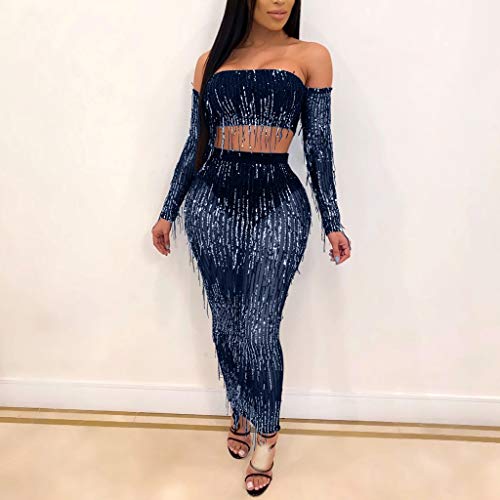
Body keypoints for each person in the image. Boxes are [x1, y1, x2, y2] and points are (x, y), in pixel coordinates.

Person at [151, 0, 352, 495]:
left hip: (279, 204)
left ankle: (267, 432)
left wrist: (332, 221)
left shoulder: (311, 56)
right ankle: (239, 406)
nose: (280, 1)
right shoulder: (210, 61)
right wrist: (168, 210)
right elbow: (196, 142)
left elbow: (319, 146)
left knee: (259, 328)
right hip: (211, 203)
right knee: (225, 322)